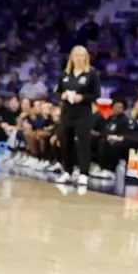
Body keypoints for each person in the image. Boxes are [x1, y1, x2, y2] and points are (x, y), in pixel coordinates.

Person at [54, 45, 101, 186]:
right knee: (65, 142)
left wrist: (82, 97)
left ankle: (83, 173)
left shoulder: (91, 74)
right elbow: (57, 91)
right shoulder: (65, 74)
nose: (79, 57)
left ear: (86, 57)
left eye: (82, 55)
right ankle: (67, 171)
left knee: (83, 143)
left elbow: (96, 94)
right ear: (72, 57)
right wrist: (61, 95)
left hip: (83, 113)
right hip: (67, 112)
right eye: (76, 55)